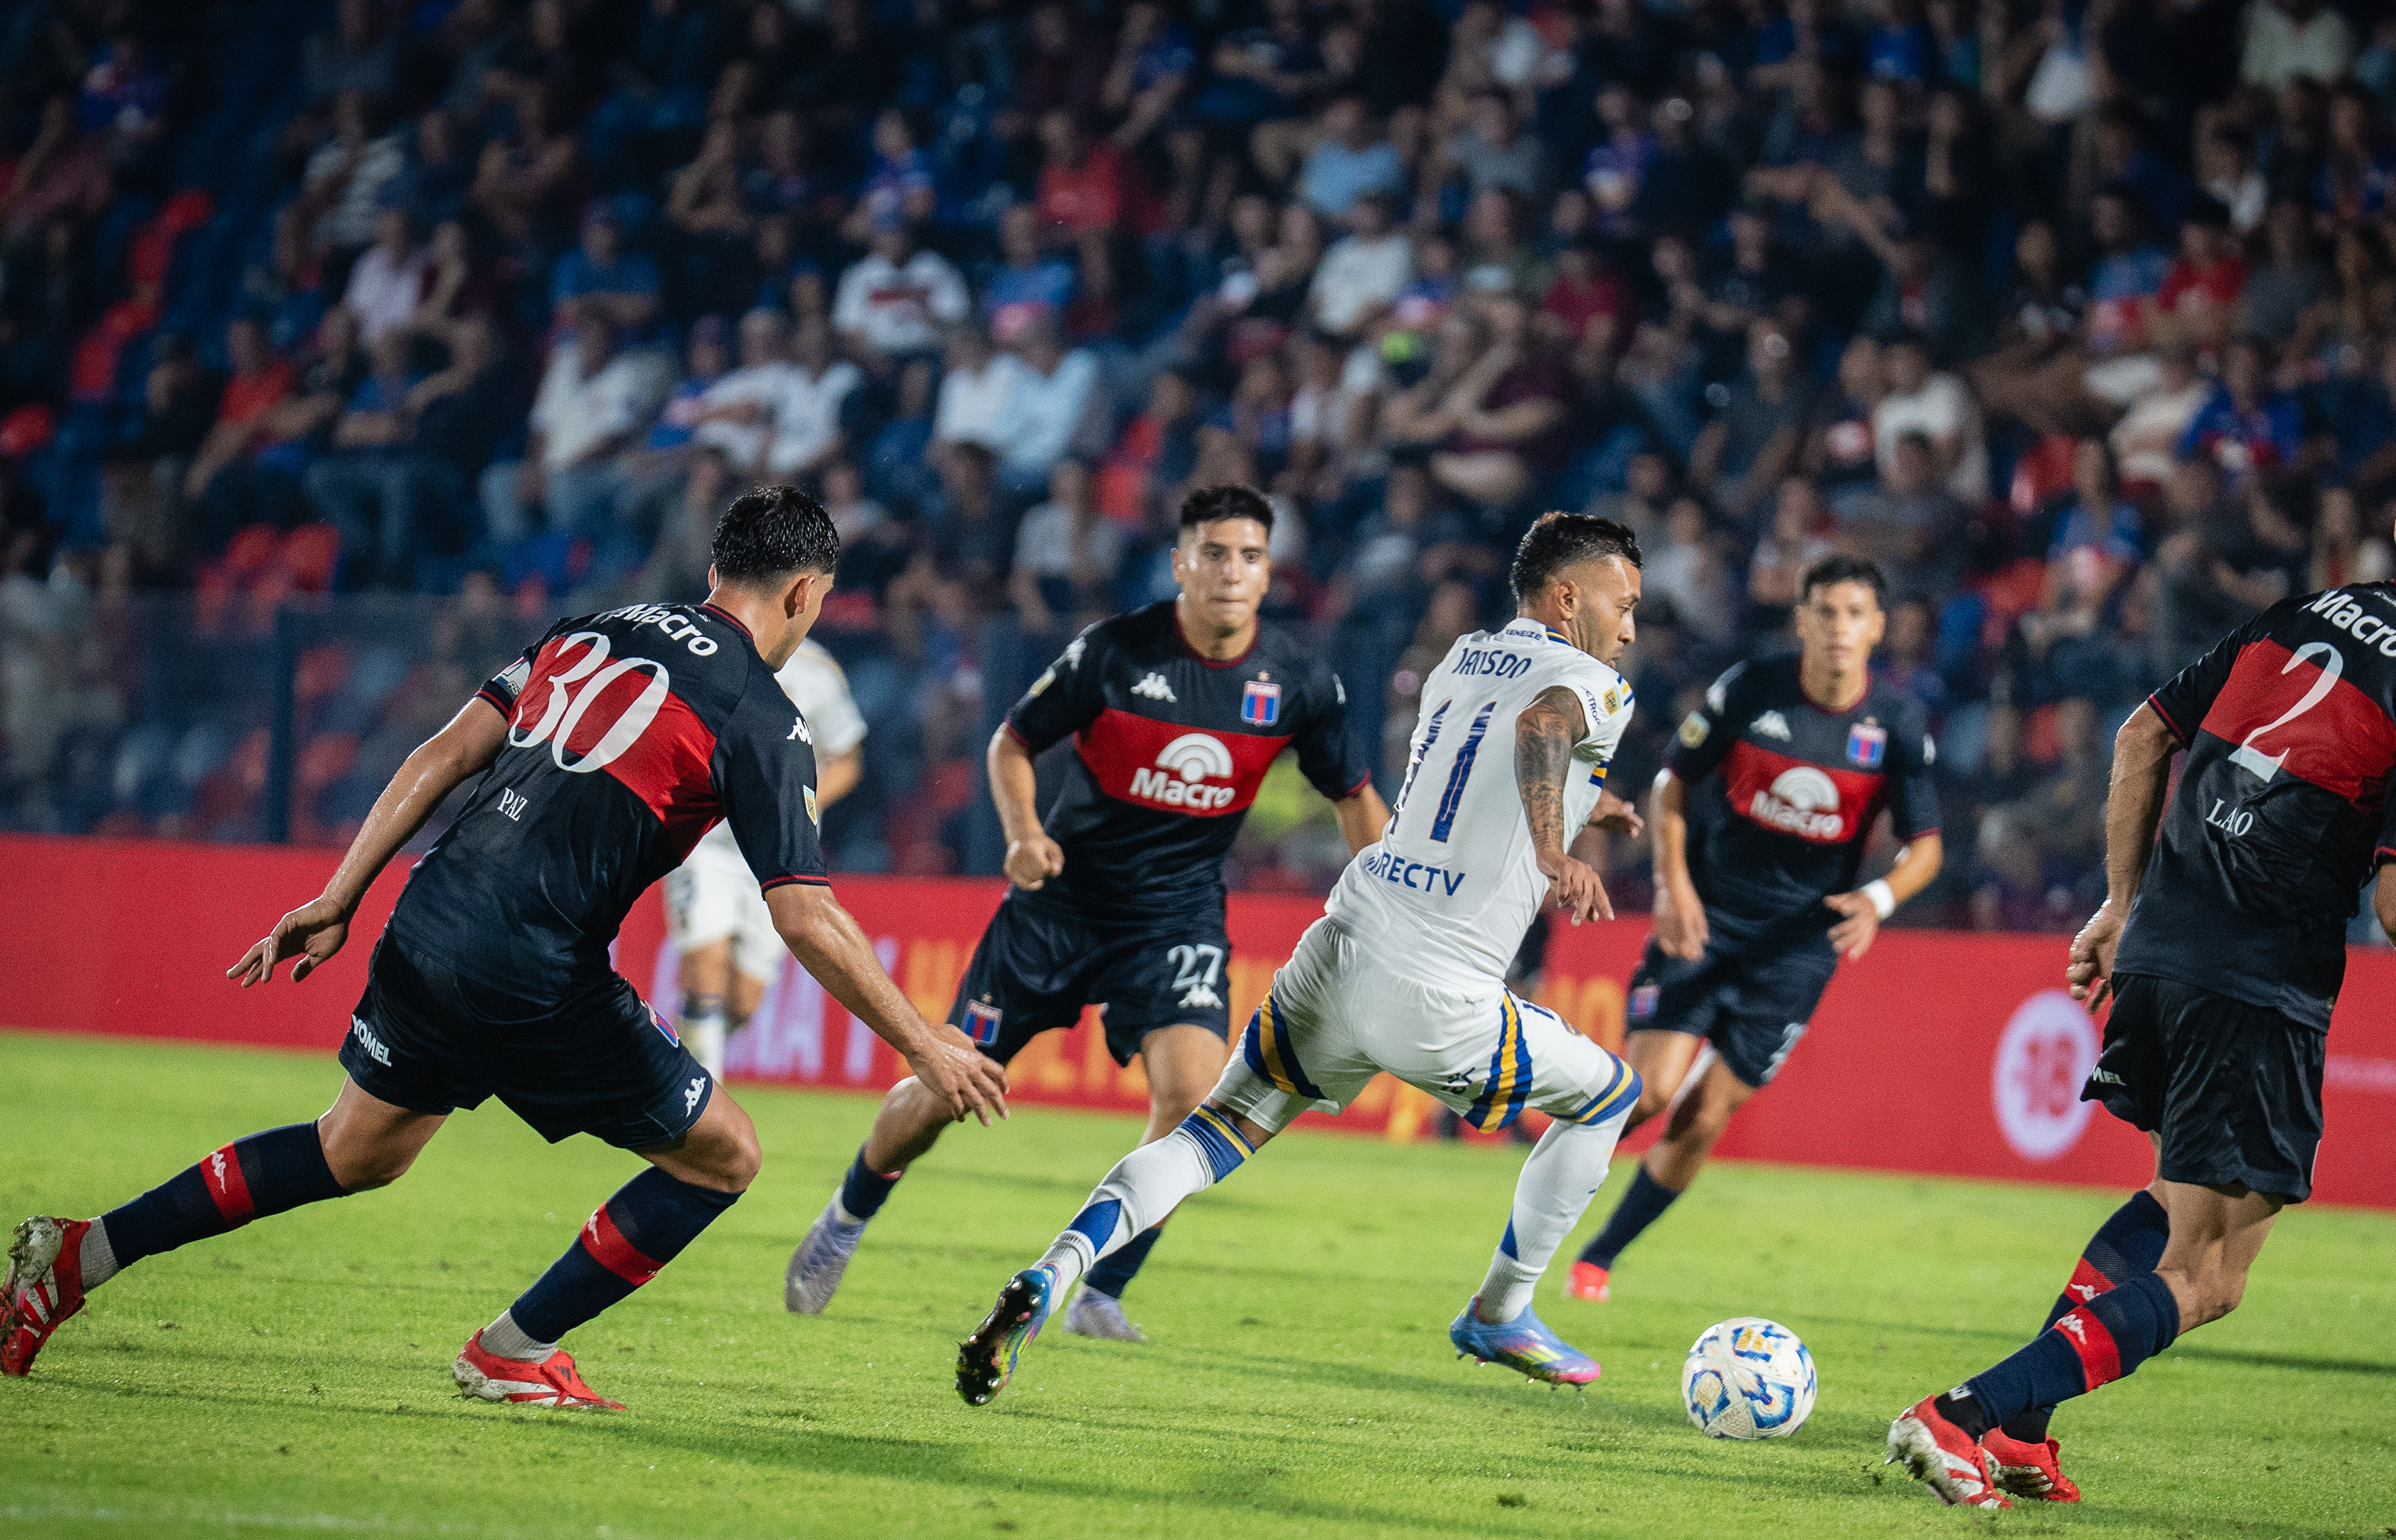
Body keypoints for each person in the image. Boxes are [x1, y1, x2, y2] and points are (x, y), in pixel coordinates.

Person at [0, 490, 1007, 1407]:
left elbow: (444, 752)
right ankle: (513, 1350)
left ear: (715, 570)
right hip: (532, 968)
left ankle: (87, 1253)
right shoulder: (760, 711)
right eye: (818, 604)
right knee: (723, 1157)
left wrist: (341, 893)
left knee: (355, 1149)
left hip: (429, 917)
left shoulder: (591, 629)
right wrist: (924, 1044)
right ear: (802, 594)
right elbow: (804, 913)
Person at [1885, 449, 2396, 1508]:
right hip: (2257, 979)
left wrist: (2115, 902)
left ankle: (2024, 1431)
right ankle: (1961, 1415)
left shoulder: (2295, 615)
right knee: (2210, 1277)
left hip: (2158, 949)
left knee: (2173, 1205)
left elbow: (2145, 732)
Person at [953, 512, 1649, 1408]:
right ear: (1566, 598)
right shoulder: (1591, 681)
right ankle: (1501, 1310)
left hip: (1338, 946)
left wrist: (1593, 803)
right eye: (1621, 604)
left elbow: (1479, 762)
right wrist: (1556, 848)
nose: (1629, 628)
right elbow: (1546, 726)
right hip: (1438, 989)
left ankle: (1056, 1269)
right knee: (1608, 1097)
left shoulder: (1463, 658)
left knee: (1209, 1134)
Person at [782, 485, 1387, 1338]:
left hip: (1174, 917)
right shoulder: (1116, 652)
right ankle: (845, 1218)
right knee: (940, 1091)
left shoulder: (1296, 681)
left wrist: (1387, 909)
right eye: (1213, 553)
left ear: (1268, 571)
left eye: (1250, 556)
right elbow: (1012, 742)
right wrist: (1023, 832)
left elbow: (1356, 797)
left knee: (1191, 1100)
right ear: (1181, 563)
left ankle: (1101, 1288)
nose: (1231, 571)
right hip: (1058, 904)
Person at [1568, 555, 1942, 1300]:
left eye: (1854, 614)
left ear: (1879, 628)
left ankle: (1599, 1256)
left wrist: (1878, 901)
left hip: (1800, 947)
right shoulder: (1751, 689)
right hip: (1707, 914)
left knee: (1704, 1116)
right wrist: (1673, 887)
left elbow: (1925, 846)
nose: (1839, 628)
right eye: (1825, 611)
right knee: (1647, 1092)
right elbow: (1672, 783)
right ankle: (1544, 1198)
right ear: (1801, 619)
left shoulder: (1895, 724)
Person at [665, 633, 868, 1075]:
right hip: (705, 842)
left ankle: (666, 1062)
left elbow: (848, 760)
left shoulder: (817, 670)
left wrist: (797, 802)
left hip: (775, 849)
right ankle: (699, 1107)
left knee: (742, 1001)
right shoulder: (701, 652)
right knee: (706, 969)